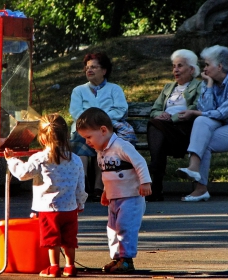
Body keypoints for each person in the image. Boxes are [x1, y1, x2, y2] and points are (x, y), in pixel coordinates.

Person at [4, 113, 88, 278]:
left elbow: (22, 173)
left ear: (42, 139)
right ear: (65, 135)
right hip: (70, 207)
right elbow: (80, 184)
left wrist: (12, 160)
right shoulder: (75, 159)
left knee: (52, 240)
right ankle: (70, 267)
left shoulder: (40, 158)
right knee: (70, 239)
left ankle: (54, 267)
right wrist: (81, 203)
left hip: (48, 208)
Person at [176, 45, 228, 202]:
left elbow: (222, 112)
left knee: (203, 134)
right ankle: (196, 176)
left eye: (207, 64)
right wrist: (208, 85)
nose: (204, 69)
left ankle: (199, 187)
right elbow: (206, 109)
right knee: (201, 121)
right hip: (223, 124)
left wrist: (194, 112)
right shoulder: (211, 82)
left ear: (219, 66)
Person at [76, 107, 152, 273]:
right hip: (114, 197)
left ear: (103, 130)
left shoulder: (121, 146)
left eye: (89, 137)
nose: (87, 142)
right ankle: (117, 258)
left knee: (125, 226)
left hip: (131, 196)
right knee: (112, 228)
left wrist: (145, 182)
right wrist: (105, 191)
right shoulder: (100, 152)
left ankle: (127, 259)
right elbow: (107, 174)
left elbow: (140, 162)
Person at [69, 52, 137, 201]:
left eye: (94, 67)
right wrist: (92, 124)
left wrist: (100, 121)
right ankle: (83, 184)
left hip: (107, 128)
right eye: (87, 68)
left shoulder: (115, 89)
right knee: (80, 141)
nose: (89, 70)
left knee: (107, 144)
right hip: (84, 128)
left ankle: (100, 187)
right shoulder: (78, 91)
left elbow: (120, 109)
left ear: (104, 70)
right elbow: (76, 112)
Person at [147, 49, 201, 201]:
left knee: (154, 126)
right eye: (174, 66)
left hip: (184, 129)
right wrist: (160, 115)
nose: (175, 70)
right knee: (155, 125)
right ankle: (156, 184)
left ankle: (155, 182)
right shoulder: (168, 87)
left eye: (180, 66)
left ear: (191, 69)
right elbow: (155, 109)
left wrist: (172, 117)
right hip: (164, 129)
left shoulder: (198, 86)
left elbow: (197, 107)